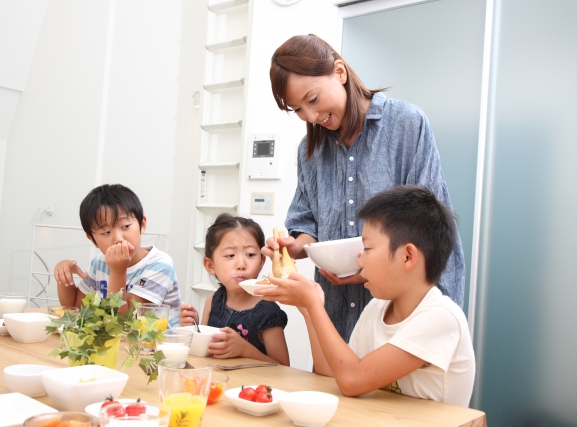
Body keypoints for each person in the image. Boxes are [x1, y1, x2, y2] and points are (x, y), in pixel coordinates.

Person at [263, 34, 465, 342]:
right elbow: (308, 229)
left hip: (401, 315)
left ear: (340, 73)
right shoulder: (310, 151)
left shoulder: (406, 125)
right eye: (298, 109)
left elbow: (430, 228)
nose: (311, 117)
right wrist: (294, 247)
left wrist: (374, 268)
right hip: (336, 318)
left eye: (313, 99)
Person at [259, 185, 475, 406]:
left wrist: (314, 305)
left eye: (368, 249)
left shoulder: (441, 318)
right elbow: (333, 373)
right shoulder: (377, 308)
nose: (360, 261)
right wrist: (309, 312)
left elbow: (352, 380)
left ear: (408, 256)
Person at [54, 184, 182, 327]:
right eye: (106, 232)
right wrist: (64, 276)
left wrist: (117, 271)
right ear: (92, 239)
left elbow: (125, 323)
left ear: (142, 224)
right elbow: (76, 308)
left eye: (126, 226)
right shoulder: (99, 263)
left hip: (158, 346)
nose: (118, 238)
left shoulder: (160, 265)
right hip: (119, 345)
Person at [179, 213, 290, 366]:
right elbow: (205, 353)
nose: (241, 264)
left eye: (250, 254)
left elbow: (283, 368)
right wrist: (193, 329)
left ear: (262, 262)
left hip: (253, 387)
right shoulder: (213, 301)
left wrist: (246, 350)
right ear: (210, 265)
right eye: (230, 255)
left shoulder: (267, 311)